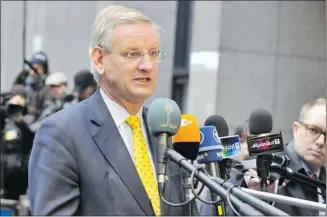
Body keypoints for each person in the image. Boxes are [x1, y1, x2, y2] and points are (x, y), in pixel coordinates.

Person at [28, 4, 197, 215]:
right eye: (132, 53)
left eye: (153, 53)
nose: (147, 65)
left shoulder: (167, 131)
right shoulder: (62, 134)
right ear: (99, 59)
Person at [234, 98, 326, 216]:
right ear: (296, 129)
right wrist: (251, 193)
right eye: (313, 130)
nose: (321, 142)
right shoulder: (261, 168)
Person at [25, 51, 52, 119]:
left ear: (44, 71)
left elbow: (46, 115)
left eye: (36, 69)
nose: (32, 73)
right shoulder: (27, 86)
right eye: (31, 69)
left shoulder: (49, 89)